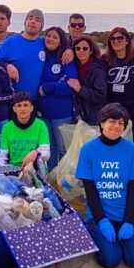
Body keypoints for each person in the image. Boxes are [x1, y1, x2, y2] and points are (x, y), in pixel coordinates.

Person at [75, 102, 134, 268]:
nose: (116, 126)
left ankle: (125, 239)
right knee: (111, 261)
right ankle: (99, 235)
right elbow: (90, 190)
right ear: (102, 123)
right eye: (112, 121)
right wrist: (102, 221)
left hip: (125, 214)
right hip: (101, 214)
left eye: (121, 123)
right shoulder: (88, 150)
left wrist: (129, 221)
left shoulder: (132, 149)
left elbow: (133, 187)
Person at [103, 27, 134, 149]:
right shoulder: (105, 59)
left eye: (120, 38)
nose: (116, 41)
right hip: (113, 109)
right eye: (113, 39)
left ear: (127, 41)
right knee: (113, 142)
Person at [37, 26, 78, 168]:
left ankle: (65, 182)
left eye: (55, 37)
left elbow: (70, 86)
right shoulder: (41, 57)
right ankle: (52, 180)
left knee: (62, 149)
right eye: (48, 35)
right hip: (42, 113)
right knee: (49, 150)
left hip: (61, 113)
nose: (50, 39)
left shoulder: (65, 58)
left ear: (61, 42)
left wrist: (49, 87)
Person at [0, 8, 47, 98]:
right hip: (14, 101)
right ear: (25, 22)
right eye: (30, 18)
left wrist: (69, 50)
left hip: (36, 101)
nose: (33, 21)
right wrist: (7, 66)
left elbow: (61, 45)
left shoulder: (45, 43)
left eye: (37, 20)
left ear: (41, 27)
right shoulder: (9, 42)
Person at [0, 92, 50, 176]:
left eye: (26, 105)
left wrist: (36, 152)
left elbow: (46, 154)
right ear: (14, 109)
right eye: (19, 105)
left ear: (31, 108)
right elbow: (2, 157)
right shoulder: (7, 127)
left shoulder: (40, 125)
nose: (22, 109)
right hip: (13, 170)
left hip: (35, 170)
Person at [70, 34, 108, 126]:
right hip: (78, 114)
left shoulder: (98, 69)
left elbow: (100, 95)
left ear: (91, 51)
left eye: (85, 48)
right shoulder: (73, 66)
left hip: (94, 115)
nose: (81, 51)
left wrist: (80, 89)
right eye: (78, 48)